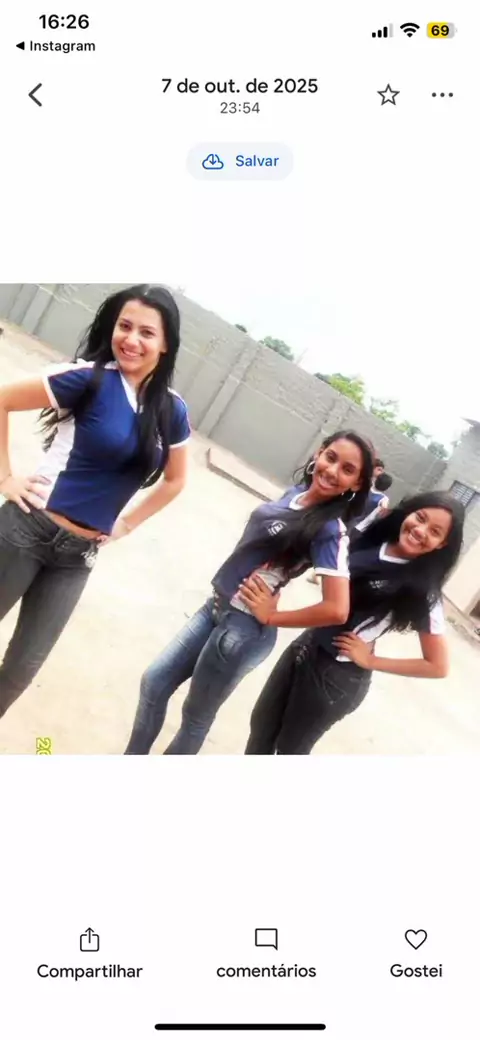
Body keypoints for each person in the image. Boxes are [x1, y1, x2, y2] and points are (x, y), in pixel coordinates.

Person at [0, 284, 190, 720]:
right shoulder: (89, 378)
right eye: (125, 326)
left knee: (21, 670)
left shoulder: (171, 410)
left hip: (77, 558)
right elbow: (3, 398)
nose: (131, 340)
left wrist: (126, 525)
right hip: (26, 529)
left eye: (146, 332)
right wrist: (6, 477)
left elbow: (176, 479)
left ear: (165, 344)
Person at [124, 430, 374, 754]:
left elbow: (337, 608)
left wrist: (272, 616)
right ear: (319, 453)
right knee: (154, 683)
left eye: (348, 470)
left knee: (195, 717)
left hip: (241, 629)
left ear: (356, 484)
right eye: (331, 458)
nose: (333, 470)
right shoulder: (298, 493)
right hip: (216, 607)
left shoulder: (330, 531)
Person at [244, 491, 465, 755]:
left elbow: (437, 665)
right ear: (409, 512)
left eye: (435, 531)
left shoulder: (423, 590)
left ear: (442, 544)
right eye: (420, 517)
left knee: (290, 750)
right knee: (261, 727)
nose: (420, 530)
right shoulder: (372, 537)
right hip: (308, 644)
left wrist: (371, 660)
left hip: (336, 676)